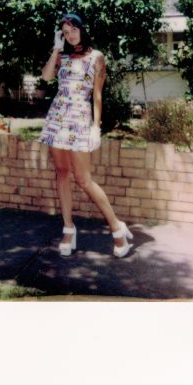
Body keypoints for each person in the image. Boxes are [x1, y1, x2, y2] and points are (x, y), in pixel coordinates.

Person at [38, 13, 134, 258]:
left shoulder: (96, 57)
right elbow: (46, 77)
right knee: (61, 173)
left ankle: (117, 228)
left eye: (73, 30)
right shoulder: (62, 56)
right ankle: (68, 229)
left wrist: (96, 127)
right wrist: (55, 49)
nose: (70, 35)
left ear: (81, 29)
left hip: (80, 118)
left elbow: (97, 95)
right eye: (65, 32)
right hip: (58, 118)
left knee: (84, 179)